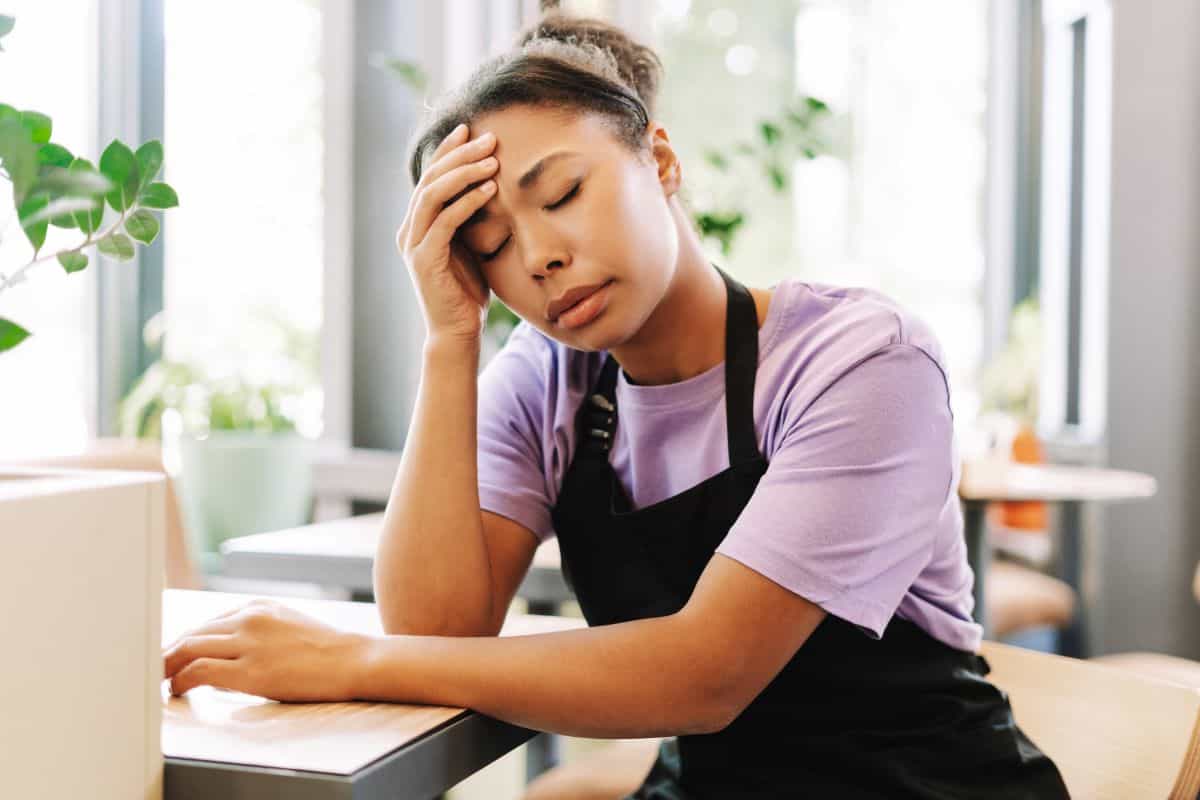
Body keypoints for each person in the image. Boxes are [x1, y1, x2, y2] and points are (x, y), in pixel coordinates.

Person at [163, 12, 1070, 798]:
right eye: (490, 248)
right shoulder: (549, 379)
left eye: (561, 194)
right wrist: (450, 341)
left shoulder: (860, 359)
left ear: (660, 159)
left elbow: (703, 677)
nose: (539, 258)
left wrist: (349, 658)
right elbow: (440, 632)